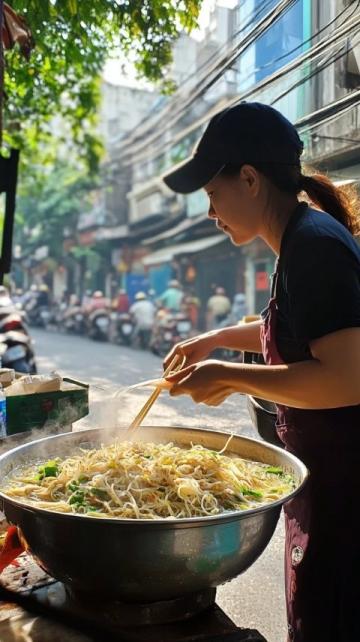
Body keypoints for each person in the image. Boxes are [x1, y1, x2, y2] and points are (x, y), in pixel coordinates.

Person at [162, 102, 360, 642]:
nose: (210, 212)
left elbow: (346, 376)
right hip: (323, 491)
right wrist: (215, 340)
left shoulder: (314, 246)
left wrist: (229, 375)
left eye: (211, 194)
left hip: (347, 505)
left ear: (248, 179)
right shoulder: (298, 240)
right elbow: (296, 330)